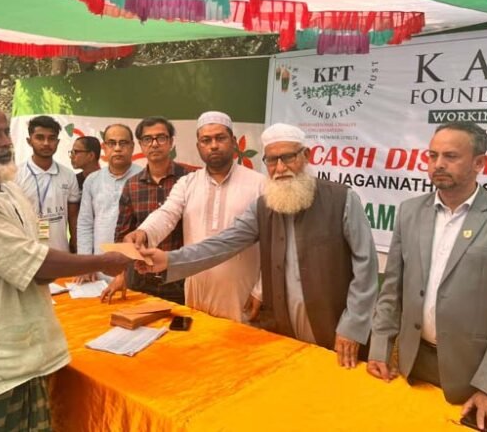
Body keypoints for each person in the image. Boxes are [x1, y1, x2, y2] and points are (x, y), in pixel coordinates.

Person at [0, 101, 130, 430]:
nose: (5, 142)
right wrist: (103, 260)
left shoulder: (9, 188)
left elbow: (33, 262)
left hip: (23, 358)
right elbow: (35, 265)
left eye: (5, 132)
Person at [138, 123, 378, 367]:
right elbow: (222, 244)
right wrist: (169, 260)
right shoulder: (264, 206)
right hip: (284, 331)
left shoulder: (342, 199)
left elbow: (366, 266)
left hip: (336, 330)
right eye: (272, 160)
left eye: (288, 157)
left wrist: (353, 326)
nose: (280, 168)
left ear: (306, 156)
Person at [367, 121, 487, 432]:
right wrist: (380, 349)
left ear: (479, 163)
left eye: (451, 156)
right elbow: (392, 291)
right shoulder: (409, 212)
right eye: (432, 155)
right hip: (413, 366)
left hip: (476, 377)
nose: (438, 164)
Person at [127, 111, 265, 323]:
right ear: (198, 146)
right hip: (195, 290)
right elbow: (167, 214)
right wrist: (143, 232)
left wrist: (260, 290)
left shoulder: (259, 184)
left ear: (234, 141)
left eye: (220, 138)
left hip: (241, 293)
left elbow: (273, 245)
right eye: (206, 140)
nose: (213, 145)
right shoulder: (187, 183)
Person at [102, 116, 195, 304]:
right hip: (141, 279)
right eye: (147, 139)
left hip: (180, 280)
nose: (154, 144)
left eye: (161, 138)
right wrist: (121, 275)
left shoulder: (190, 179)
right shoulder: (132, 185)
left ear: (171, 142)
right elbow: (122, 234)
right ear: (141, 145)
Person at [76, 124, 141, 281]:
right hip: (99, 270)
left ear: (132, 147)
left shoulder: (143, 178)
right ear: (104, 148)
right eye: (112, 143)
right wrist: (86, 264)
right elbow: (85, 224)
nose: (117, 148)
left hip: (135, 271)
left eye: (123, 143)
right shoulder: (92, 180)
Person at [16, 116, 81, 252]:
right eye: (40, 138)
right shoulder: (16, 175)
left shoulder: (68, 175)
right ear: (29, 141)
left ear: (57, 142)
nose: (46, 143)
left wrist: (75, 243)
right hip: (28, 253)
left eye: (51, 138)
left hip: (61, 252)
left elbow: (73, 216)